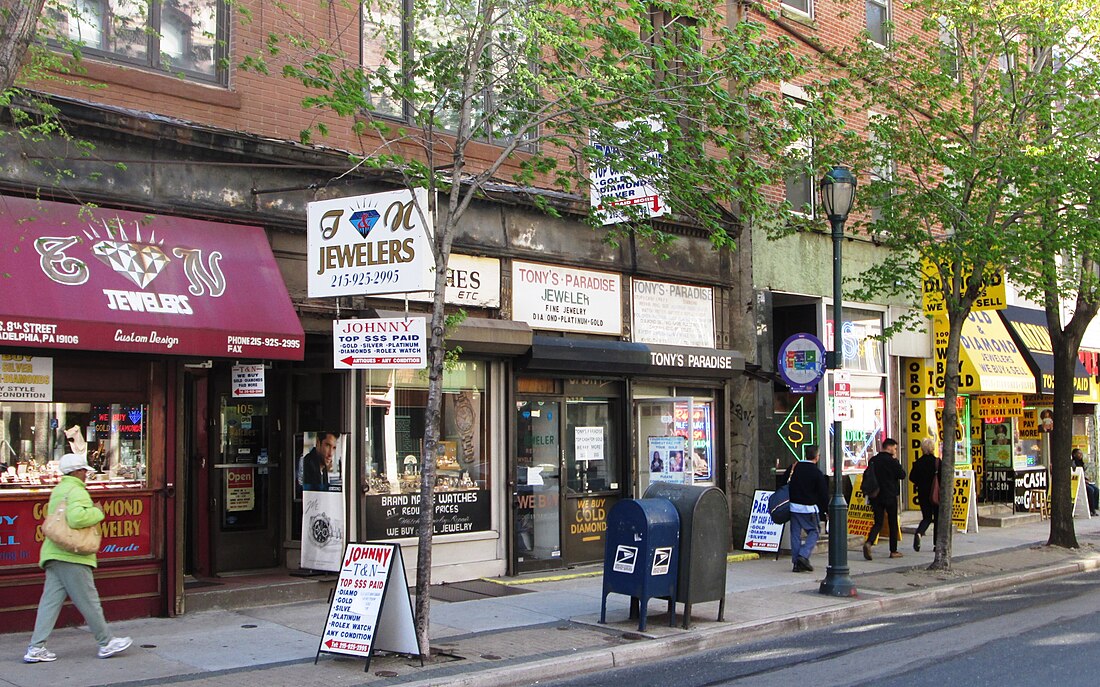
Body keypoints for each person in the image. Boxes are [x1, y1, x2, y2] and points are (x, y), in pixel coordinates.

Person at [24, 453, 132, 663]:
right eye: (83, 470)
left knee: (50, 603)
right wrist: (97, 512)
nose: (85, 475)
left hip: (54, 553)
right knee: (89, 601)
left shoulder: (60, 489)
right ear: (76, 472)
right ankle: (106, 642)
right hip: (72, 554)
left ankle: (36, 647)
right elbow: (76, 518)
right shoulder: (77, 490)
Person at [782, 445, 829, 573]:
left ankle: (796, 563)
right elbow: (823, 494)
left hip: (793, 507)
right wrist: (826, 510)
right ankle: (803, 555)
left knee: (795, 535)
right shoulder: (816, 473)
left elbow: (783, 481)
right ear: (817, 457)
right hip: (809, 508)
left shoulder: (795, 467)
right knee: (814, 531)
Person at [862, 437, 907, 561]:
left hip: (875, 495)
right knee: (893, 523)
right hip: (890, 495)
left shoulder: (874, 460)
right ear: (890, 447)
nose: (895, 450)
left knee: (878, 522)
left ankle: (869, 542)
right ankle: (893, 550)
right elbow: (902, 475)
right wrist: (896, 461)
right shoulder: (892, 461)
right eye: (895, 448)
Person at [908, 437, 940, 552]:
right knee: (937, 518)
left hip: (922, 493)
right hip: (935, 494)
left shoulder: (918, 463)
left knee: (926, 517)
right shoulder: (937, 462)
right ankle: (937, 544)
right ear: (932, 448)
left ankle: (919, 533)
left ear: (922, 449)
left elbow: (912, 477)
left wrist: (920, 482)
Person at [1072, 448, 1099, 516]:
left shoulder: (1081, 463)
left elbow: (1082, 473)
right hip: (1078, 482)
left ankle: (1094, 508)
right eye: (1079, 453)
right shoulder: (1073, 463)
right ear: (1074, 455)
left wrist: (1086, 479)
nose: (1081, 455)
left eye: (1081, 454)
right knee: (1091, 490)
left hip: (1084, 481)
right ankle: (1091, 509)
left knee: (1096, 489)